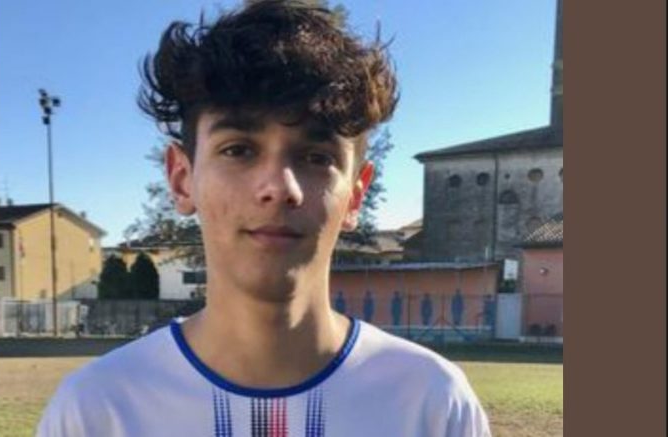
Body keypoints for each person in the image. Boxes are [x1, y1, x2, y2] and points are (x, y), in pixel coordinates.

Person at [37, 1, 491, 435]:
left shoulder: (432, 402)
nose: (280, 186)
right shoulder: (97, 409)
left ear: (356, 193)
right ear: (181, 178)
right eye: (238, 150)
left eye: (316, 157)